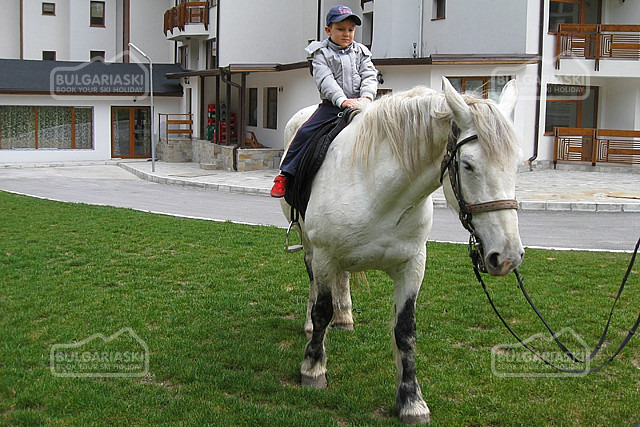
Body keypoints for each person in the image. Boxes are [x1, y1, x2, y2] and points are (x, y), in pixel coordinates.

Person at [270, 5, 378, 198]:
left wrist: (367, 97)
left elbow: (369, 75)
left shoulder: (361, 52)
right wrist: (342, 101)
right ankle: (285, 174)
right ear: (329, 30)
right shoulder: (320, 54)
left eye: (350, 30)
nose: (346, 34)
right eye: (341, 29)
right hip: (333, 106)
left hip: (362, 104)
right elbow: (325, 80)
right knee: (305, 132)